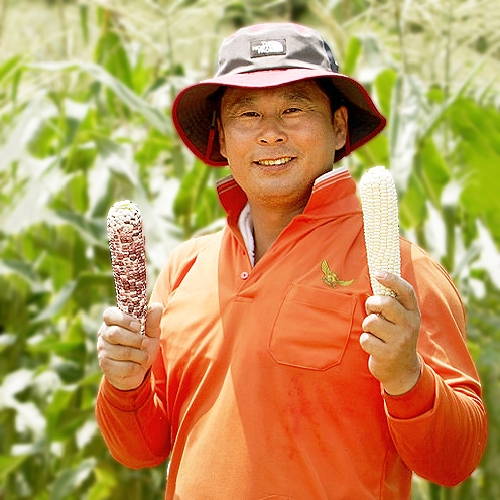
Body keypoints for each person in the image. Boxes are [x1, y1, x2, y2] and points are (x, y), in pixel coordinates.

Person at [96, 23, 487, 499]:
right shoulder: (185, 268)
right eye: (247, 114)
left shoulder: (398, 270)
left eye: (293, 109)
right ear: (219, 139)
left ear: (339, 127)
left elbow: (456, 460)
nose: (271, 134)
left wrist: (408, 377)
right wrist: (125, 385)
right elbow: (140, 450)